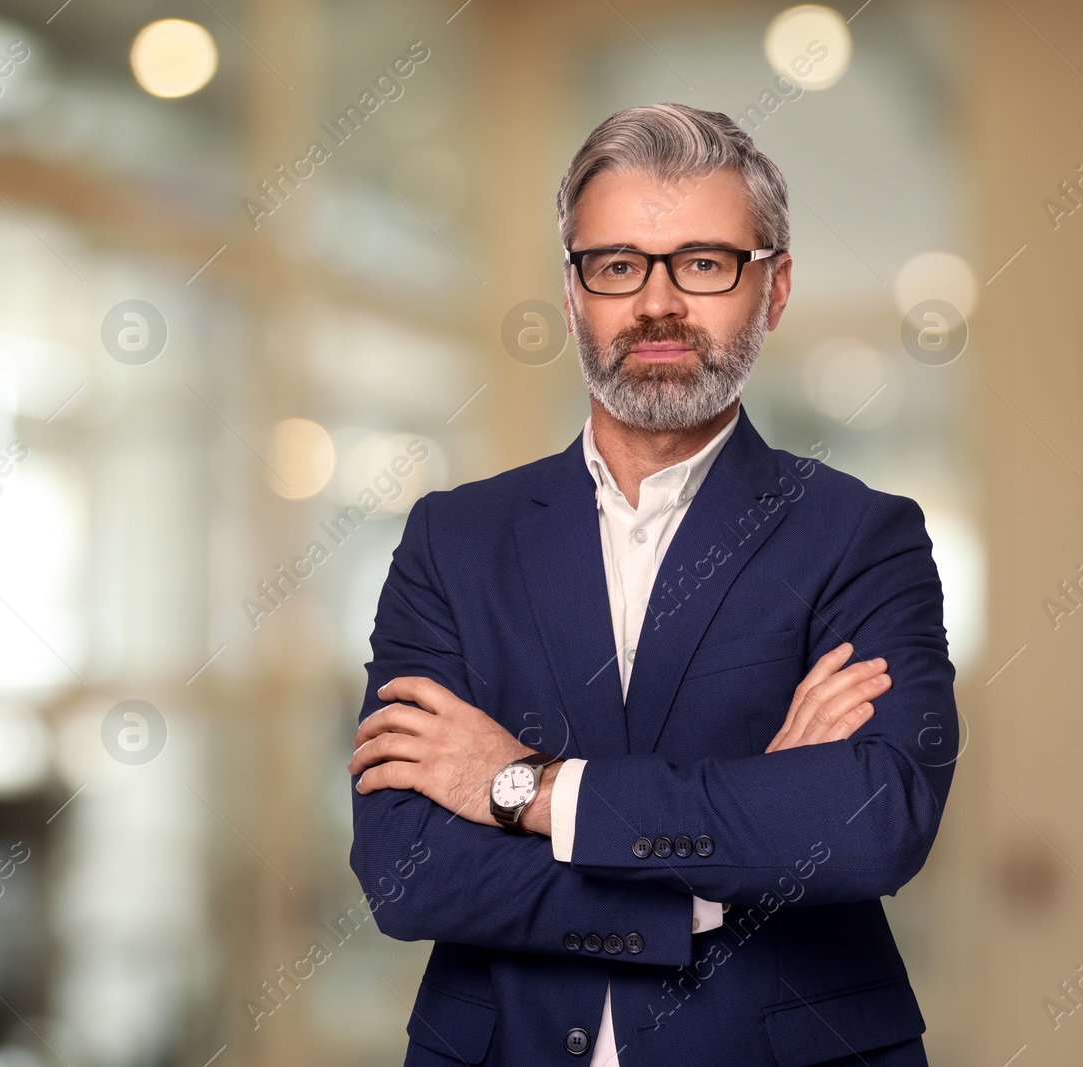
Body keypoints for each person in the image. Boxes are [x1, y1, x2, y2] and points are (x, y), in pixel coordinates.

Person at [347, 103, 956, 1066]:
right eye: (618, 264)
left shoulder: (862, 537)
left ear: (775, 289)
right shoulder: (451, 540)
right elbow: (406, 871)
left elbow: (869, 822)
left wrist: (526, 790)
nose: (658, 302)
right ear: (572, 292)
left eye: (704, 263)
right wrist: (734, 851)